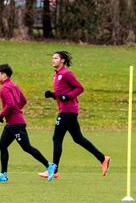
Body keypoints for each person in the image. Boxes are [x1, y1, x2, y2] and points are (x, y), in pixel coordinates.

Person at [41, 51, 111, 179]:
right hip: (66, 110)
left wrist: (68, 96)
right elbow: (61, 94)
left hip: (68, 111)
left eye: (55, 58)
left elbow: (79, 88)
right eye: (52, 58)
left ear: (62, 60)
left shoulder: (67, 74)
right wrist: (52, 95)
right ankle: (102, 158)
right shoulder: (56, 75)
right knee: (78, 138)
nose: (53, 60)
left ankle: (54, 170)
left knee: (57, 138)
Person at [0, 64, 56, 182]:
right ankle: (3, 174)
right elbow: (23, 100)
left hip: (16, 124)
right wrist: (16, 111)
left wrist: (2, 114)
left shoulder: (4, 88)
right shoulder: (13, 85)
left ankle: (49, 166)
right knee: (2, 145)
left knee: (27, 147)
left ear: (4, 75)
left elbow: (10, 104)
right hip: (12, 124)